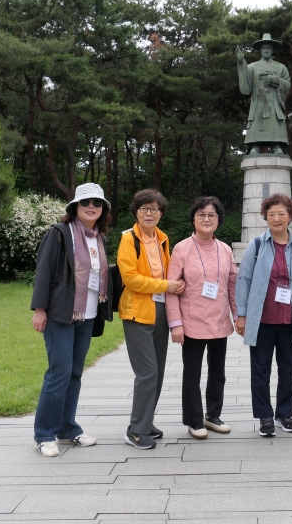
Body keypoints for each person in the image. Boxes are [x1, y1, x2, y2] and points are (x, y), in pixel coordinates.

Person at [30, 183, 112, 457]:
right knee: (59, 373)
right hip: (60, 314)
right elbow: (44, 271)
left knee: (75, 373)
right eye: (85, 202)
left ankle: (67, 428)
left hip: (87, 315)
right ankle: (44, 434)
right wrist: (39, 309)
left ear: (103, 209)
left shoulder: (99, 239)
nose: (91, 206)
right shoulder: (59, 233)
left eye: (97, 203)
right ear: (75, 206)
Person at [234, 193, 292, 437]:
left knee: (288, 370)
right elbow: (244, 279)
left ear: (290, 216)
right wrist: (242, 314)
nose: (276, 218)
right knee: (260, 370)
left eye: (282, 213)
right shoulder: (257, 245)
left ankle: (284, 414)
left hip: (291, 321)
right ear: (265, 217)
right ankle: (265, 417)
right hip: (262, 320)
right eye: (271, 214)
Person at [117, 189, 186, 450]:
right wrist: (165, 285)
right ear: (136, 212)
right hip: (137, 310)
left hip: (160, 310)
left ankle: (145, 421)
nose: (149, 213)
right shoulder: (129, 239)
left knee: (158, 371)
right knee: (147, 372)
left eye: (154, 209)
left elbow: (170, 272)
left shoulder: (163, 239)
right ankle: (136, 430)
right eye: (144, 208)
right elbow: (130, 278)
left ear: (161, 213)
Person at [166, 196, 238, 439]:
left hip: (219, 320)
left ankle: (213, 415)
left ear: (219, 219)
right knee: (192, 374)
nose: (207, 219)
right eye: (201, 215)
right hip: (191, 321)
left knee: (218, 372)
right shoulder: (182, 248)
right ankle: (194, 420)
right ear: (193, 219)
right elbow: (171, 289)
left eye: (212, 215)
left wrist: (238, 315)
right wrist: (175, 324)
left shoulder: (225, 249)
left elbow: (232, 286)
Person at [236, 33, 292, 155]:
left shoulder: (281, 67)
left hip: (274, 102)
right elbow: (246, 85)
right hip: (258, 101)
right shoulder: (252, 67)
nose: (266, 50)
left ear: (272, 50)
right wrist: (241, 62)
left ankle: (276, 145)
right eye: (264, 48)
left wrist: (277, 81)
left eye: (269, 48)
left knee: (275, 120)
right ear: (260, 50)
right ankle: (256, 145)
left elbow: (288, 84)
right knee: (257, 119)